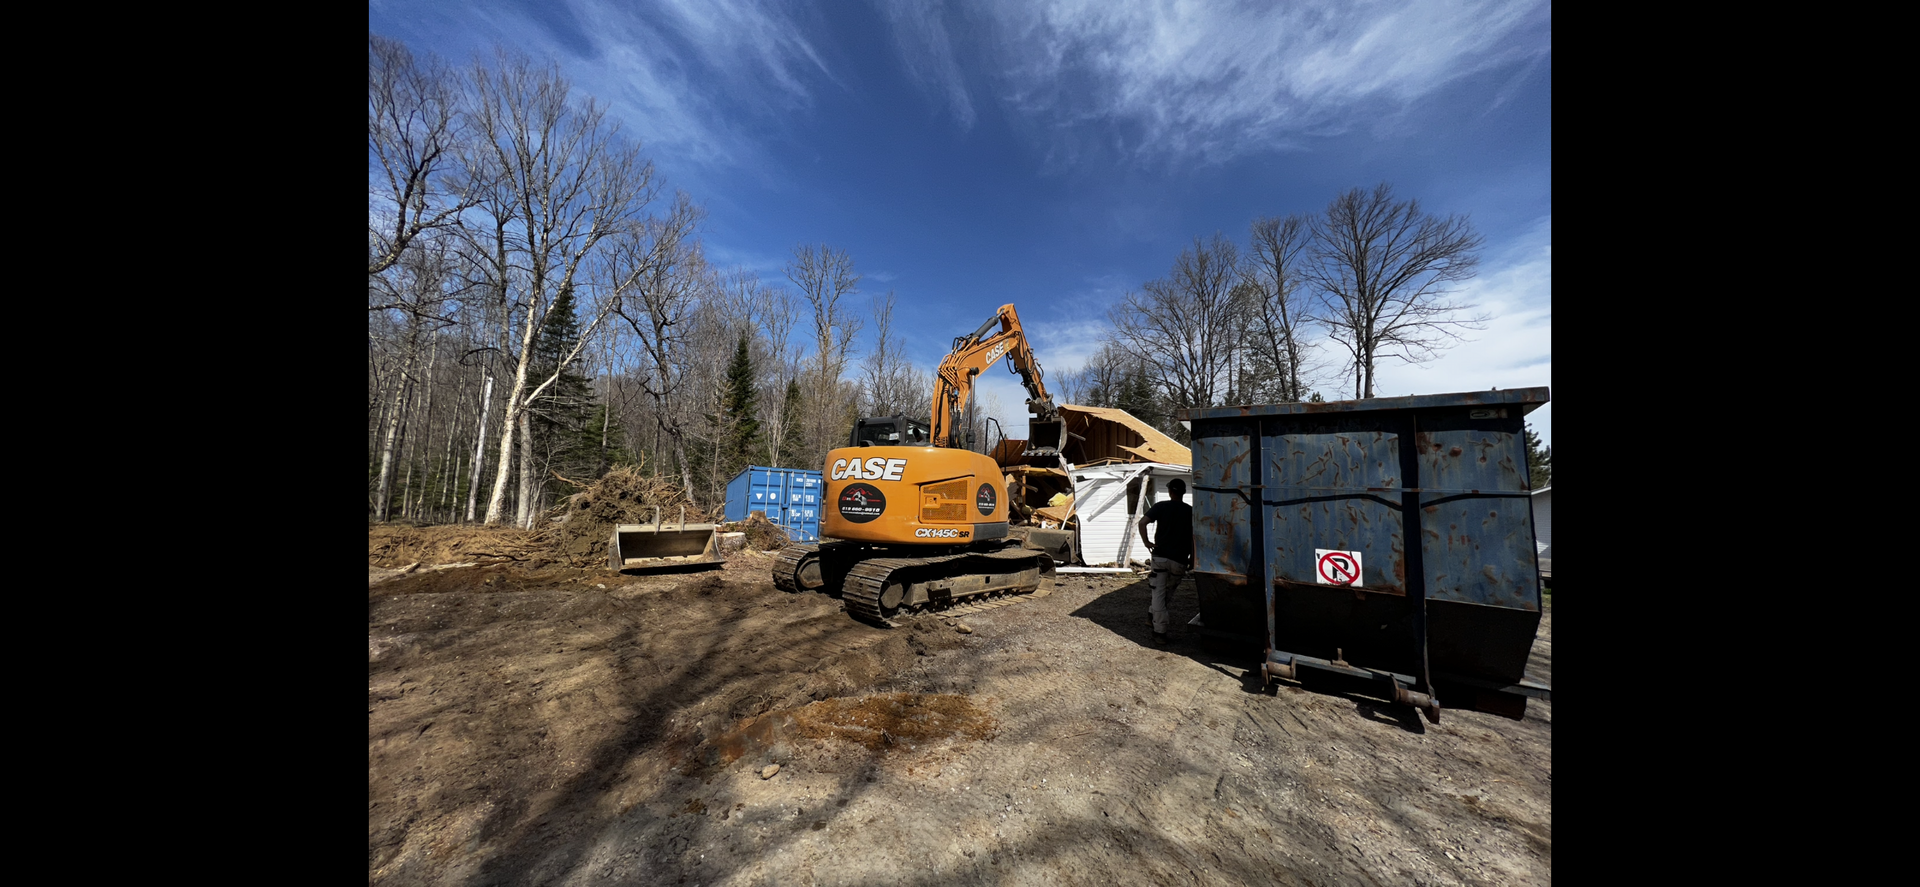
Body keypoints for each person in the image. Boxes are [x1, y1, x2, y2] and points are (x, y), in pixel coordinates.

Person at [1136, 477, 1193, 645]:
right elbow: (1195, 538)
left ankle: (1159, 632)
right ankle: (1152, 616)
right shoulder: (1190, 511)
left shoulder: (1161, 506)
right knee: (1167, 592)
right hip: (1180, 560)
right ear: (1183, 492)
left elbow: (1142, 523)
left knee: (1159, 593)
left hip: (1160, 557)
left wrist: (1146, 542)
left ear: (1170, 492)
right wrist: (1193, 558)